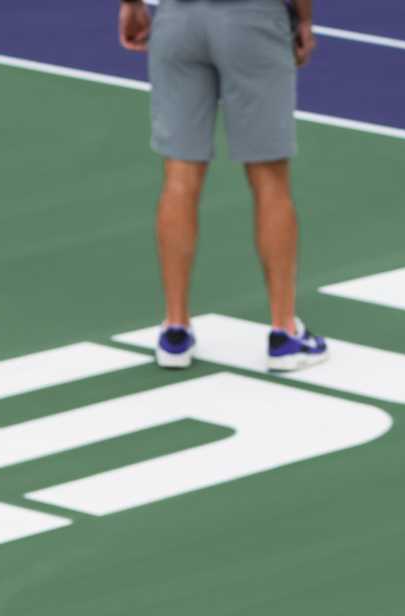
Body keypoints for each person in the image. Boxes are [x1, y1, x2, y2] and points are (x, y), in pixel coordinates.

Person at [120, 0, 328, 372]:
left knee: (180, 177)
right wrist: (305, 21)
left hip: (178, 20)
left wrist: (131, 3)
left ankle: (175, 329)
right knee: (269, 179)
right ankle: (283, 334)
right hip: (252, 20)